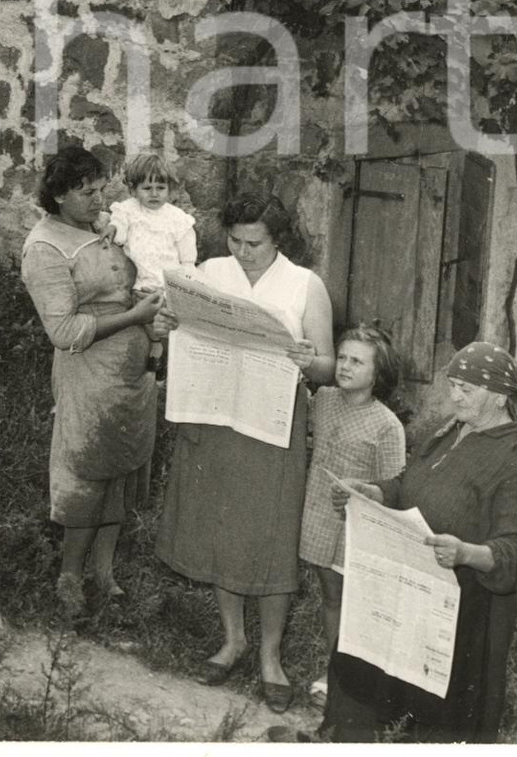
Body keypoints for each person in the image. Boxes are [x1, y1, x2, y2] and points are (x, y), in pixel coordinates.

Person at [153, 193, 335, 713]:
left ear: (279, 239)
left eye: (254, 242)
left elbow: (324, 367)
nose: (243, 251)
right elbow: (180, 327)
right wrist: (166, 327)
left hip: (271, 423)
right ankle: (233, 639)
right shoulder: (210, 271)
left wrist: (308, 359)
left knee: (269, 534)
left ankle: (270, 657)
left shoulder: (306, 285)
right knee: (222, 527)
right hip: (216, 415)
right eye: (235, 240)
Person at [320, 341, 517, 742]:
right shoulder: (449, 430)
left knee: (432, 709)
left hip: (463, 603)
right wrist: (377, 492)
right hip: (409, 579)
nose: (454, 395)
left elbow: (516, 550)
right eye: (453, 384)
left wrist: (465, 552)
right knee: (367, 665)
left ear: (499, 398)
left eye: (466, 389)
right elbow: (411, 482)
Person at [21, 144, 163, 614]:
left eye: (102, 190)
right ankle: (69, 577)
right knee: (87, 474)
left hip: (129, 374)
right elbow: (63, 332)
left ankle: (103, 573)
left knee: (119, 473)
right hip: (88, 375)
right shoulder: (45, 247)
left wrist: (149, 322)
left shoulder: (98, 229)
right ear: (59, 196)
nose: (100, 201)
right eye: (87, 193)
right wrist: (133, 318)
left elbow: (126, 288)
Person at [299, 325, 406, 703]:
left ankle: (354, 682)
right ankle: (335, 669)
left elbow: (395, 487)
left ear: (378, 374)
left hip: (358, 530)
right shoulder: (323, 400)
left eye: (357, 362)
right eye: (342, 357)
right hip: (319, 519)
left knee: (357, 603)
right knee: (330, 597)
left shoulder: (387, 425)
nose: (344, 366)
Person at [97, 152, 197, 371]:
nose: (154, 194)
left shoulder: (177, 218)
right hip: (142, 278)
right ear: (133, 190)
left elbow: (188, 257)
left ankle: (168, 354)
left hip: (169, 279)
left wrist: (186, 281)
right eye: (146, 188)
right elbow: (120, 225)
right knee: (145, 313)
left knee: (167, 319)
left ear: (170, 190)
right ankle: (154, 347)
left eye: (160, 188)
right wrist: (114, 228)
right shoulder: (130, 210)